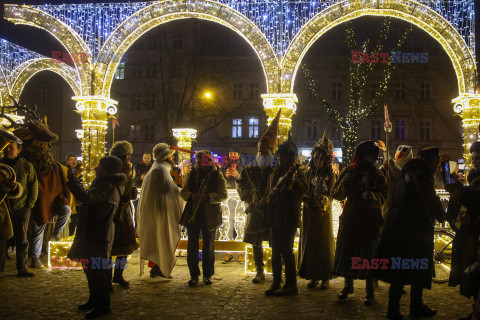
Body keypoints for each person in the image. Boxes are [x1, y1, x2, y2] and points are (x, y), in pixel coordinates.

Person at [374, 147, 445, 320]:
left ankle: (396, 309)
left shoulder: (407, 171)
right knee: (416, 267)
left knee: (401, 268)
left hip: (399, 225)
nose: (437, 165)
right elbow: (428, 197)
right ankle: (413, 307)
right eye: (436, 160)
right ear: (432, 160)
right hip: (414, 227)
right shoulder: (421, 173)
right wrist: (441, 214)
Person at [66, 156, 126, 319]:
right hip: (97, 230)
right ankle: (95, 299)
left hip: (98, 231)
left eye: (99, 166)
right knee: (92, 268)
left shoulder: (107, 185)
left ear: (105, 169)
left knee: (96, 269)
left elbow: (87, 197)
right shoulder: (107, 183)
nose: (95, 169)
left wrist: (73, 181)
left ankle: (102, 304)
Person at [332, 140, 387, 305]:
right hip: (351, 217)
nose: (373, 160)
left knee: (368, 256)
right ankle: (348, 286)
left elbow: (385, 195)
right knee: (349, 252)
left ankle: (370, 292)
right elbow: (336, 193)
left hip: (369, 220)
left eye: (374, 157)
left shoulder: (377, 174)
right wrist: (345, 184)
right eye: (370, 156)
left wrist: (372, 197)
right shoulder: (350, 170)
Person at [14, 120, 73, 269]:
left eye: (44, 143)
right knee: (37, 229)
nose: (43, 145)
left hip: (52, 199)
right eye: (41, 142)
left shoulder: (51, 164)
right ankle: (34, 258)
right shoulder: (26, 162)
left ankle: (56, 233)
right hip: (34, 201)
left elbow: (56, 182)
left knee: (66, 210)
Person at [236, 110, 280, 283]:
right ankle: (259, 270)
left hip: (271, 210)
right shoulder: (250, 168)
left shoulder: (276, 169)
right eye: (260, 149)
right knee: (256, 241)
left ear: (271, 150)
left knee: (275, 241)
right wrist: (248, 197)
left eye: (265, 148)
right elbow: (240, 183)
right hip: (254, 208)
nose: (262, 151)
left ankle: (276, 271)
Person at [264, 132, 307, 296]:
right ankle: (276, 282)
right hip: (275, 216)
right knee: (275, 252)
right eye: (279, 157)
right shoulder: (276, 172)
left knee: (287, 252)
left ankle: (291, 284)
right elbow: (270, 191)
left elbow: (302, 189)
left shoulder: (298, 172)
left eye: (282, 157)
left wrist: (291, 184)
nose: (280, 159)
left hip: (288, 217)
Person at [180, 150, 227, 286]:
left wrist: (208, 197)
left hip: (210, 214)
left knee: (209, 246)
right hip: (193, 214)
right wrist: (192, 196)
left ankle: (207, 275)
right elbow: (184, 192)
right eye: (202, 160)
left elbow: (223, 195)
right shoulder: (193, 173)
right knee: (192, 246)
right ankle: (194, 275)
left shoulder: (217, 175)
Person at [137, 143, 183, 278]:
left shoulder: (158, 169)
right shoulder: (160, 171)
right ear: (167, 157)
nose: (173, 158)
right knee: (162, 239)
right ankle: (160, 267)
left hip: (157, 210)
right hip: (160, 212)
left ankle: (157, 268)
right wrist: (184, 192)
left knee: (159, 239)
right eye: (172, 156)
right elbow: (170, 191)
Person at [299, 132, 335, 289]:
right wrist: (304, 197)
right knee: (310, 243)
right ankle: (312, 275)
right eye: (315, 158)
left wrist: (323, 199)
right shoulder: (308, 173)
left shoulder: (329, 174)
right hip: (309, 212)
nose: (318, 161)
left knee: (322, 244)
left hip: (322, 212)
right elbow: (303, 190)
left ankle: (325, 275)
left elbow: (331, 193)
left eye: (321, 158)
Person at [1, 141, 38, 277]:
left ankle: (22, 268)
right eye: (7, 147)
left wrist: (29, 205)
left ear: (18, 150)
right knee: (2, 237)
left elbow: (33, 186)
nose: (8, 150)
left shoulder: (26, 166)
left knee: (22, 238)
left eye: (12, 147)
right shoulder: (1, 164)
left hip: (22, 207)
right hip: (3, 206)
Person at [447, 141, 480, 290]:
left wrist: (471, 220)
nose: (475, 162)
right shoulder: (473, 179)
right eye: (473, 158)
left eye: (478, 158)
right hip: (468, 232)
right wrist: (459, 218)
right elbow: (468, 204)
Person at [108, 141, 139, 288]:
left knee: (125, 246)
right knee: (108, 247)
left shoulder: (128, 171)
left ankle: (118, 274)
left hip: (125, 212)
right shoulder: (111, 172)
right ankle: (106, 278)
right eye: (127, 156)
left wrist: (131, 195)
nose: (129, 159)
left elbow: (128, 192)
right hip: (112, 213)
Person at [222, 146, 244, 263]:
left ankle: (241, 251)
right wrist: (225, 176)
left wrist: (238, 176)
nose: (232, 155)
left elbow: (246, 181)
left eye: (235, 153)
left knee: (240, 223)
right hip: (227, 197)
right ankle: (228, 252)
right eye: (231, 153)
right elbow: (220, 180)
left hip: (239, 196)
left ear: (239, 155)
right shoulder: (224, 167)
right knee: (228, 223)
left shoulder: (243, 167)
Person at [65, 153, 80, 236]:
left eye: (74, 160)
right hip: (69, 200)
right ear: (67, 161)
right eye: (71, 160)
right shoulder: (66, 171)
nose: (73, 162)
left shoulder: (79, 172)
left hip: (77, 202)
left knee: (75, 221)